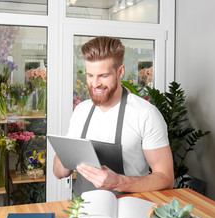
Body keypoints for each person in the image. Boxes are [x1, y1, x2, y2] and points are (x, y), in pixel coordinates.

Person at [53, 36, 174, 196]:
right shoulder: (81, 111)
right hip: (82, 211)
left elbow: (166, 179)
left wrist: (118, 182)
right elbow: (59, 172)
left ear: (120, 72)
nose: (95, 84)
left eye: (103, 76)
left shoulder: (145, 114)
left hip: (129, 213)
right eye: (90, 75)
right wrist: (64, 161)